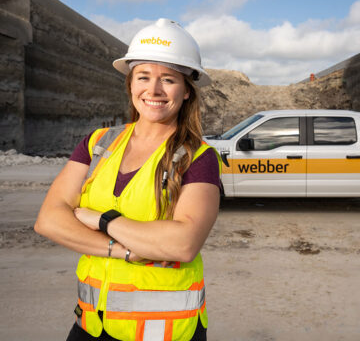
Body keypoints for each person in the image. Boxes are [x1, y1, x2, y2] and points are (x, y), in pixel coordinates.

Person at [35, 18, 221, 341]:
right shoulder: (98, 143)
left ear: (188, 91)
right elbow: (49, 220)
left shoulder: (199, 157)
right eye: (144, 77)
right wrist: (119, 250)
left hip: (165, 332)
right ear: (131, 84)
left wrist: (102, 220)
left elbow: (183, 243)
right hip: (91, 326)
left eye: (168, 80)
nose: (154, 90)